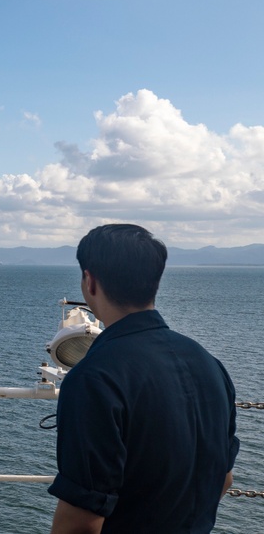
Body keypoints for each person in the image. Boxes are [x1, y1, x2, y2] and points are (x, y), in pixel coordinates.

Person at [49, 224, 239, 534]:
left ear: (90, 282)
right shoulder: (210, 365)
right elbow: (225, 478)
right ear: (154, 282)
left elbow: (80, 523)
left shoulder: (93, 379)